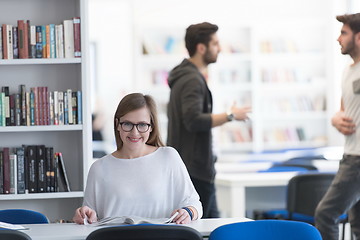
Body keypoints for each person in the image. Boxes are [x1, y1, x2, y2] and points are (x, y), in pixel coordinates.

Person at [73, 93, 202, 225]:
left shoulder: (168, 157)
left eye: (142, 125)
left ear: (151, 127)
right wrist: (84, 215)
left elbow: (194, 204)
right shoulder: (99, 168)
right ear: (117, 125)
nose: (135, 132)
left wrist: (188, 212)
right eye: (127, 124)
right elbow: (88, 217)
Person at [167, 22, 251, 218]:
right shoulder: (191, 80)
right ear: (201, 48)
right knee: (202, 228)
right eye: (215, 43)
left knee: (213, 227)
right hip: (195, 170)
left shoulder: (187, 76)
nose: (219, 48)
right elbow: (193, 120)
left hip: (194, 168)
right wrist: (230, 116)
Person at [315, 13, 360, 240]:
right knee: (358, 224)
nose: (338, 38)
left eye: (344, 33)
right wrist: (335, 119)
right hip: (349, 155)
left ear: (359, 38)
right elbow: (343, 111)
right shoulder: (347, 71)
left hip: (358, 160)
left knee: (325, 214)